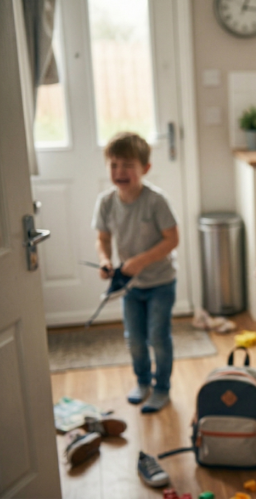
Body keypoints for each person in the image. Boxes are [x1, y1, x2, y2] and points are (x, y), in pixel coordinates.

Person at [92, 132, 179, 414]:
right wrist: (105, 261)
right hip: (130, 287)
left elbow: (172, 240)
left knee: (157, 337)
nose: (120, 172)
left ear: (145, 168)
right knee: (135, 339)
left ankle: (162, 387)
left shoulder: (156, 201)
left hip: (161, 283)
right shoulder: (106, 203)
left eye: (128, 165)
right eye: (114, 165)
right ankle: (143, 382)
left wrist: (140, 261)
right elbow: (102, 239)